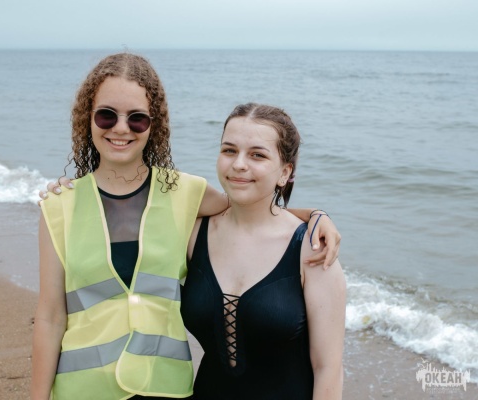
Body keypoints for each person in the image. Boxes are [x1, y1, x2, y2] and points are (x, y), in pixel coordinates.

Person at [32, 53, 342, 400]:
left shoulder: (185, 194)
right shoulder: (59, 205)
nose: (120, 128)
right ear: (86, 118)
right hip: (82, 391)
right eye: (107, 115)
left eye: (137, 118)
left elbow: (252, 205)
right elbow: (50, 316)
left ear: (155, 124)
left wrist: (315, 215)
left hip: (165, 389)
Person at [181, 103, 346, 399]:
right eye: (229, 150)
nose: (239, 164)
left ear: (285, 172)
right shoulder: (192, 233)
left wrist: (316, 215)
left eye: (257, 155)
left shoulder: (312, 249)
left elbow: (328, 368)